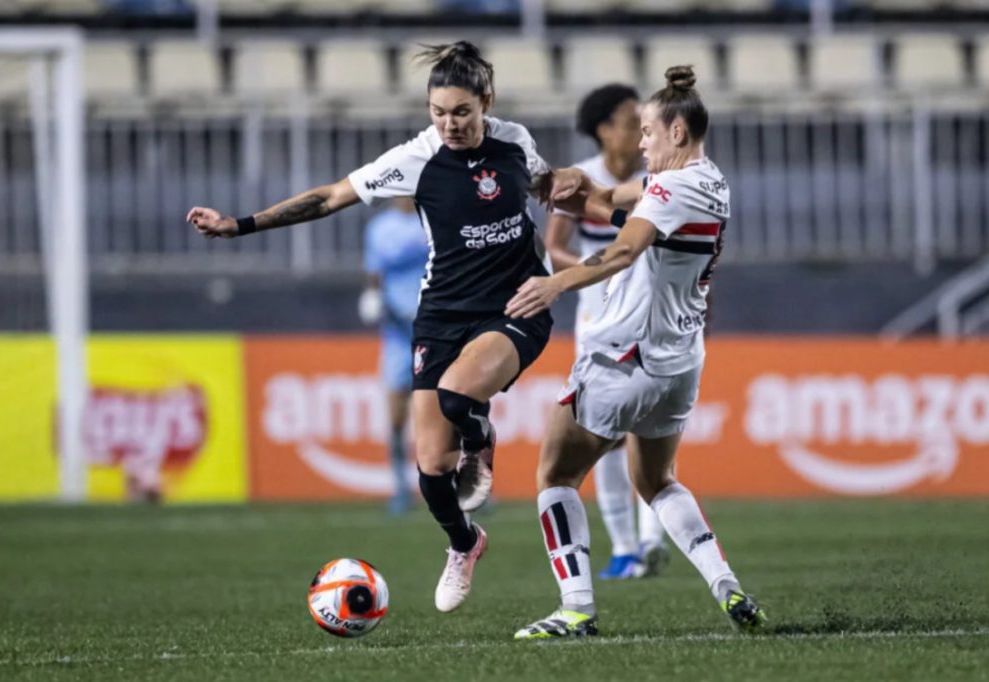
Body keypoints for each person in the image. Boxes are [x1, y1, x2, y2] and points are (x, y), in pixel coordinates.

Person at [186, 41, 556, 614]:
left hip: (516, 305)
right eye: (438, 112)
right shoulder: (416, 157)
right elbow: (330, 197)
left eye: (461, 112)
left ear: (487, 101)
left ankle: (480, 443)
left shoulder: (516, 142)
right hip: (442, 313)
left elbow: (548, 188)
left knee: (459, 395)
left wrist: (604, 214)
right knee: (431, 466)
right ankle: (465, 543)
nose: (449, 124)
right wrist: (240, 225)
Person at [505, 65, 765, 638]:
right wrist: (570, 184)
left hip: (625, 355)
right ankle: (726, 585)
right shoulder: (709, 180)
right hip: (678, 363)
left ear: (676, 131)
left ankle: (575, 609)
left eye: (647, 130)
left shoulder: (673, 187)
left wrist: (555, 283)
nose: (641, 142)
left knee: (555, 475)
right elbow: (608, 201)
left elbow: (623, 250)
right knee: (658, 480)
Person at [545, 83, 668, 581]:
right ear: (602, 129)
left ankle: (651, 541)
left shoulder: (656, 178)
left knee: (653, 428)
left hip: (651, 314)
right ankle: (625, 547)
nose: (638, 128)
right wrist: (597, 269)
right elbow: (553, 248)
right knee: (609, 435)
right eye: (627, 120)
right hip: (598, 318)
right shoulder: (583, 179)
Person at [358, 196, 431, 515]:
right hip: (399, 332)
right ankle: (401, 487)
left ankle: (466, 485)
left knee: (443, 409)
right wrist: (372, 294)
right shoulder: (380, 228)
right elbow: (375, 269)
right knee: (397, 412)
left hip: (434, 328)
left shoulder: (431, 220)